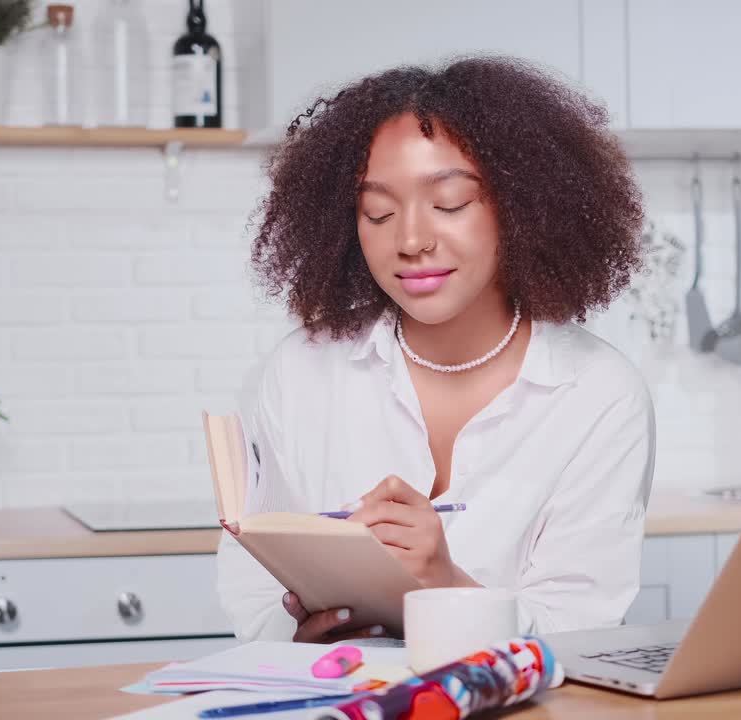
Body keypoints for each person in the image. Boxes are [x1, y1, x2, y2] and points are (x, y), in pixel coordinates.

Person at [217, 55, 655, 643]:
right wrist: (297, 631)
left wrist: (442, 582)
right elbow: (252, 597)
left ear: (522, 208)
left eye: (449, 203)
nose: (412, 240)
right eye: (378, 212)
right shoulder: (302, 370)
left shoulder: (599, 393)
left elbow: (582, 634)